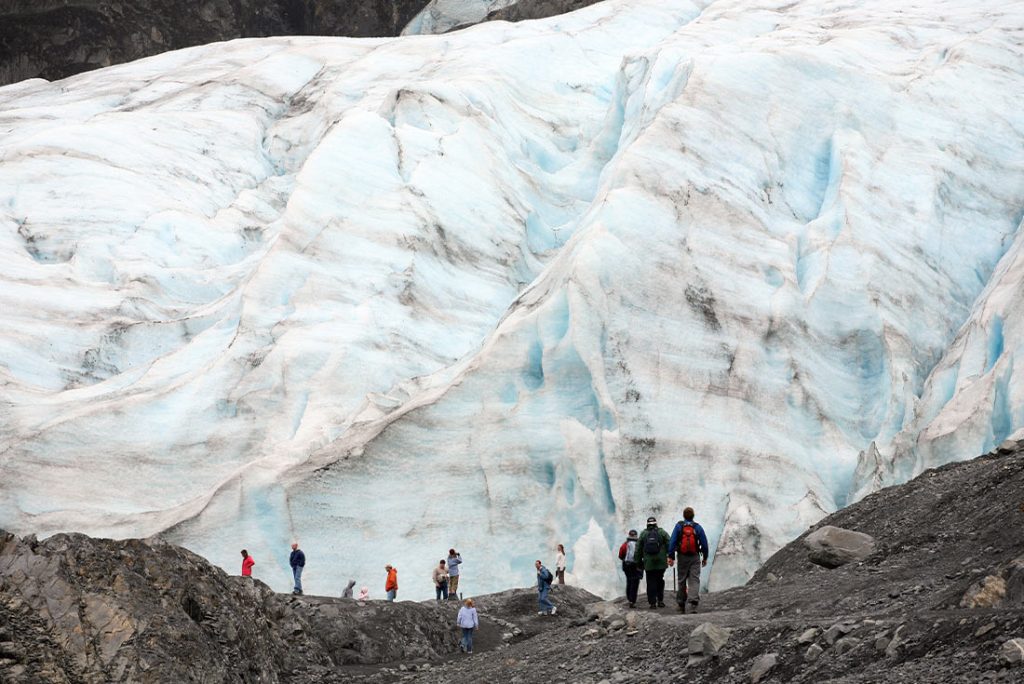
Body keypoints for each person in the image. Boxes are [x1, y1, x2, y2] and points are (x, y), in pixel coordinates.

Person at [668, 506, 711, 613]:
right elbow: (704, 544)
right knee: (694, 579)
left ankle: (681, 604)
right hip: (695, 557)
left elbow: (672, 542)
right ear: (693, 516)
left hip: (682, 556)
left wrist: (671, 556)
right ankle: (692, 603)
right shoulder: (697, 527)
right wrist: (705, 557)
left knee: (681, 580)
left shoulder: (679, 526)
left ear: (684, 516)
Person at [634, 516, 670, 609]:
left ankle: (652, 603)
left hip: (648, 563)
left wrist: (638, 562)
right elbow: (670, 543)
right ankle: (660, 601)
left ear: (647, 524)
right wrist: (669, 555)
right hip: (661, 563)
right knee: (660, 580)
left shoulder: (643, 534)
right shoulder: (662, 532)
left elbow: (637, 549)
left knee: (650, 582)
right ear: (656, 524)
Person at [617, 530, 643, 608]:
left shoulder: (625, 544)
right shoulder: (639, 544)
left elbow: (620, 555)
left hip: (627, 565)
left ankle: (629, 598)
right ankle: (632, 600)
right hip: (636, 565)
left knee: (629, 581)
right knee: (635, 582)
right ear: (636, 535)